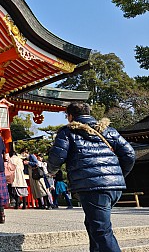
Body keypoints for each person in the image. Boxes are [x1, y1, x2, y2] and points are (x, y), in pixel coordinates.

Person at [47, 102, 135, 252]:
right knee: (93, 224)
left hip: (92, 187)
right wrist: (117, 176)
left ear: (70, 116)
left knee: (102, 230)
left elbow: (57, 157)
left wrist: (51, 171)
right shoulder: (109, 130)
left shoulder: (68, 132)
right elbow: (130, 155)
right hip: (114, 187)